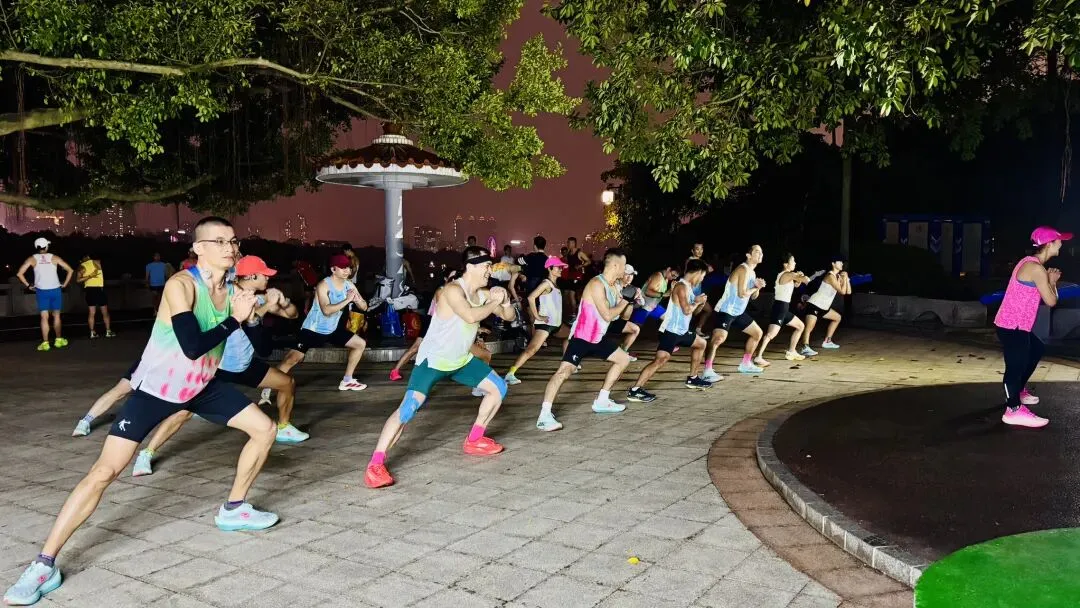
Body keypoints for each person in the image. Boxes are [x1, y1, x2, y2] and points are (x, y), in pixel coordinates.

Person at [3, 217, 279, 607]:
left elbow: (252, 340)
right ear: (199, 249)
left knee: (265, 429)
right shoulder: (182, 285)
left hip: (202, 387)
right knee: (104, 472)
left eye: (233, 241)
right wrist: (235, 319)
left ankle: (234, 508)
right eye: (219, 241)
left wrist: (255, 313)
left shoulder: (234, 290)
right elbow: (192, 346)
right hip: (157, 390)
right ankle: (43, 564)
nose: (230, 248)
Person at [131, 255, 305, 476]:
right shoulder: (226, 297)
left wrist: (283, 302)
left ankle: (283, 427)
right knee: (183, 413)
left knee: (287, 382)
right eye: (265, 275)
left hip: (244, 365)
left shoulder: (258, 298)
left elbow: (292, 314)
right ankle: (147, 453)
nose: (269, 278)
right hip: (219, 368)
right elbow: (240, 321)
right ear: (252, 276)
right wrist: (266, 306)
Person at [364, 247, 515, 489]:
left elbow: (508, 317)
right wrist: (495, 301)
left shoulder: (483, 294)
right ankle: (375, 465)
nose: (490, 271)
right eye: (486, 266)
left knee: (498, 388)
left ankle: (474, 439)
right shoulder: (452, 290)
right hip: (433, 361)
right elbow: (470, 316)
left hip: (460, 360)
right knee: (408, 409)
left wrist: (505, 300)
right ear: (471, 266)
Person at [536, 249, 637, 432]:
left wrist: (630, 300)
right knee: (564, 372)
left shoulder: (614, 287)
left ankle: (602, 400)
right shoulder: (596, 284)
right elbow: (607, 315)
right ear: (615, 265)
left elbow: (622, 317)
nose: (625, 270)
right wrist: (624, 301)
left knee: (623, 359)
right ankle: (544, 415)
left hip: (598, 338)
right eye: (623, 266)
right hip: (582, 338)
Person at [993, 227, 1067, 428]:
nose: (1061, 243)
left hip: (1016, 325)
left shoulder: (1029, 262)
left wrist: (1049, 281)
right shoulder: (1036, 269)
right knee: (1015, 366)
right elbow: (1051, 301)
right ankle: (1013, 410)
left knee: (1036, 349)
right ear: (1049, 244)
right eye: (1059, 241)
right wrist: (1052, 282)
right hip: (1012, 325)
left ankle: (1018, 391)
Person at [274, 254, 369, 391]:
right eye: (343, 268)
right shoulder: (324, 285)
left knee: (360, 344)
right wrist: (348, 300)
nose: (347, 271)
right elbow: (326, 311)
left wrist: (358, 300)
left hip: (332, 329)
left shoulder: (349, 285)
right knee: (292, 359)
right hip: (313, 329)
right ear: (333, 269)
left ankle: (347, 380)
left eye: (348, 267)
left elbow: (364, 307)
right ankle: (268, 387)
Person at [627, 259, 712, 402]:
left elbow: (694, 312)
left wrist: (700, 304)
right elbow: (687, 310)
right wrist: (697, 302)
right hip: (671, 331)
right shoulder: (681, 286)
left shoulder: (688, 287)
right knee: (660, 360)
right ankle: (635, 390)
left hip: (681, 331)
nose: (702, 279)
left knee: (701, 343)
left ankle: (693, 378)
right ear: (697, 273)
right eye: (702, 276)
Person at [389, 270, 493, 382]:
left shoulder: (459, 293)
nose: (455, 281)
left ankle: (470, 376)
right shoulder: (442, 291)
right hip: (433, 323)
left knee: (466, 349)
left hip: (446, 325)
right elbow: (449, 312)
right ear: (446, 279)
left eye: (457, 279)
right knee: (416, 347)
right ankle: (395, 371)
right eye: (452, 278)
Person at [702, 244, 767, 380]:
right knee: (718, 339)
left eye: (761, 252)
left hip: (738, 312)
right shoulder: (743, 269)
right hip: (726, 310)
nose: (760, 254)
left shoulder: (752, 273)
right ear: (748, 255)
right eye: (757, 252)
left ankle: (745, 364)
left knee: (757, 333)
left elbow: (753, 296)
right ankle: (707, 371)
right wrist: (755, 287)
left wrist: (758, 287)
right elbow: (742, 293)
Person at [505, 256, 567, 385]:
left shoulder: (555, 284)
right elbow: (531, 297)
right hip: (545, 324)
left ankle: (569, 364)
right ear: (550, 269)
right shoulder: (546, 284)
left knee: (572, 336)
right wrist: (538, 317)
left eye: (561, 267)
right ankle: (510, 374)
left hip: (556, 324)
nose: (561, 269)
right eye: (558, 267)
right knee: (531, 350)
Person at [17, 237, 73, 352]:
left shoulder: (32, 259)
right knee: (56, 316)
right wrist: (65, 284)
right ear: (46, 246)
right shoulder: (55, 257)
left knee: (44, 317)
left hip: (41, 290)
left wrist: (28, 285)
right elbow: (70, 270)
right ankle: (58, 340)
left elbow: (19, 274)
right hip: (55, 289)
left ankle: (45, 343)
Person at [754, 253, 809, 366]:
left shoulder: (787, 275)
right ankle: (758, 357)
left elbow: (796, 285)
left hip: (784, 308)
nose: (795, 263)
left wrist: (798, 279)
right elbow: (805, 280)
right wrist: (802, 277)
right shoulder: (787, 274)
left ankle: (792, 351)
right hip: (780, 308)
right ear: (786, 264)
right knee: (770, 334)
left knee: (800, 326)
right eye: (793, 261)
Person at [800, 256, 852, 356]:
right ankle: (805, 347)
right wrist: (844, 279)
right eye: (839, 262)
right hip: (815, 304)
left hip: (824, 307)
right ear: (833, 264)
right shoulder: (830, 276)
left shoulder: (838, 276)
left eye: (842, 262)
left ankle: (827, 341)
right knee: (809, 327)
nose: (842, 264)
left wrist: (846, 279)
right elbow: (842, 292)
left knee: (837, 318)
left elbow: (848, 292)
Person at [605, 264, 644, 358]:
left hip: (615, 320)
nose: (630, 277)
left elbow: (642, 303)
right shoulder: (613, 286)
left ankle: (623, 352)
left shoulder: (631, 288)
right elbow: (616, 304)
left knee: (635, 329)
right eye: (627, 274)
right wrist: (630, 299)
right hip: (605, 319)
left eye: (632, 275)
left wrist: (637, 296)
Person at [629, 265, 679, 329]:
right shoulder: (658, 276)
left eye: (675, 277)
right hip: (643, 306)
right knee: (635, 329)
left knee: (669, 319)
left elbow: (660, 297)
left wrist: (670, 291)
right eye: (673, 275)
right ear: (668, 269)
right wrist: (664, 294)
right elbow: (647, 292)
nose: (673, 278)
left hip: (653, 307)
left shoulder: (666, 279)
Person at [77, 253, 113, 338]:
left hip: (89, 291)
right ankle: (108, 332)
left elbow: (78, 280)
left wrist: (89, 276)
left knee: (92, 313)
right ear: (88, 257)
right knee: (105, 313)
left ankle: (92, 333)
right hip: (99, 290)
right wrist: (92, 275)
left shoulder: (81, 266)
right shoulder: (97, 262)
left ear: (81, 260)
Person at [559, 237, 592, 322]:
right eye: (568, 243)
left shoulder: (579, 253)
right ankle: (573, 312)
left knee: (571, 295)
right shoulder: (569, 253)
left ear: (574, 243)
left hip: (577, 277)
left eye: (570, 243)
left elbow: (588, 261)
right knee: (567, 295)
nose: (568, 244)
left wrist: (581, 266)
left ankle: (574, 315)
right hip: (570, 277)